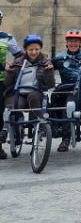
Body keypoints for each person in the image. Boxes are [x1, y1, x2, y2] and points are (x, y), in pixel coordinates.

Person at [3, 35, 55, 155]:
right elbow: (7, 84)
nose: (34, 52)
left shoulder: (46, 62)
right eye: (31, 49)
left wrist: (48, 72)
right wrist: (9, 72)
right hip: (18, 93)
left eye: (37, 49)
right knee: (13, 105)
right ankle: (7, 130)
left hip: (36, 92)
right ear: (26, 50)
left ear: (40, 49)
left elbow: (50, 84)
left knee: (33, 97)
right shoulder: (18, 61)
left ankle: (35, 130)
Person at [0, 9, 23, 158]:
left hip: (2, 81)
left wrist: (14, 66)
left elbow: (20, 55)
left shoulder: (7, 38)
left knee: (1, 111)